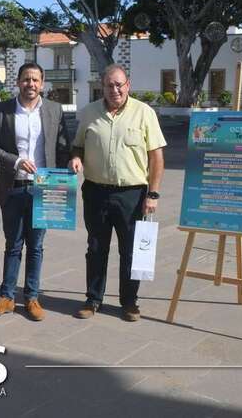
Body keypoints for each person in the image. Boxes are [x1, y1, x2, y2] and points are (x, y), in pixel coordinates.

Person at [69, 64, 166, 322]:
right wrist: (76, 158)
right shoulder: (89, 112)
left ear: (128, 85)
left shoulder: (144, 113)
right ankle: (93, 299)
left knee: (131, 252)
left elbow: (156, 157)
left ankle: (130, 303)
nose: (115, 90)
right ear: (102, 86)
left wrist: (153, 194)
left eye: (119, 84)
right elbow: (77, 145)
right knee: (96, 247)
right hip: (95, 193)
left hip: (132, 195)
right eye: (110, 85)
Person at [0, 63, 70, 321]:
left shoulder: (54, 110)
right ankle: (6, 297)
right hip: (13, 187)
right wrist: (16, 161)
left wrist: (73, 160)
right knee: (13, 245)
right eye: (26, 79)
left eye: (35, 80)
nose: (30, 84)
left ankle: (32, 298)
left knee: (37, 246)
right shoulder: (2, 110)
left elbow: (62, 145)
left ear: (42, 83)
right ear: (18, 82)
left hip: (45, 188)